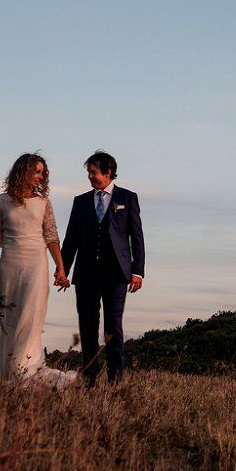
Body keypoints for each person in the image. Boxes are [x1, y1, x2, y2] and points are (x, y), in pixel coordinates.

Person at [0, 153, 77, 386]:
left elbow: (52, 237)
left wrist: (60, 269)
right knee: (9, 320)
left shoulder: (43, 203)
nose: (40, 176)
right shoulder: (1, 201)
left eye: (42, 173)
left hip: (36, 264)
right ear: (23, 171)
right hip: (9, 264)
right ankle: (9, 373)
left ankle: (25, 372)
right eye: (37, 171)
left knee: (29, 319)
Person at [60, 151, 145, 384]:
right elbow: (71, 240)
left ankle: (115, 379)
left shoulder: (127, 198)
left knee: (113, 327)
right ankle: (90, 378)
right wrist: (62, 271)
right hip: (86, 273)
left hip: (116, 273)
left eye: (93, 172)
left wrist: (137, 272)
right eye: (88, 172)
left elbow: (136, 237)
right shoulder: (80, 201)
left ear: (107, 172)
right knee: (87, 327)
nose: (90, 176)